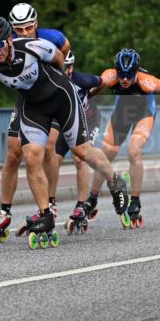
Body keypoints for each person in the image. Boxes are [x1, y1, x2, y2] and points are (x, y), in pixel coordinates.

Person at [0, 17, 129, 241]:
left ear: (9, 40)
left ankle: (116, 181)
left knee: (81, 151)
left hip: (61, 97)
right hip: (33, 107)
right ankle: (46, 214)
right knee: (31, 156)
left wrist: (57, 80)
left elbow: (59, 59)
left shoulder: (31, 46)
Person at [0, 2, 70, 237]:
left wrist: (63, 76)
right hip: (26, 100)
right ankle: (4, 213)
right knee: (13, 153)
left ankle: (49, 205)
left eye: (28, 27)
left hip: (52, 95)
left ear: (36, 23)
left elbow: (65, 54)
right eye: (18, 29)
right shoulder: (8, 42)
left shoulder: (51, 36)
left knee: (48, 148)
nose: (24, 32)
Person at [83, 48, 160, 227]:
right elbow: (92, 90)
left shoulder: (146, 82)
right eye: (122, 74)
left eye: (130, 75)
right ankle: (92, 198)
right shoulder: (110, 76)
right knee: (104, 156)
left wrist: (158, 85)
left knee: (133, 151)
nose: (125, 79)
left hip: (144, 114)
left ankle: (135, 200)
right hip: (122, 113)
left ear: (136, 71)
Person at [53, 51, 103, 233]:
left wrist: (90, 95)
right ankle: (49, 205)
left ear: (71, 68)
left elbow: (102, 81)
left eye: (65, 68)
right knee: (53, 158)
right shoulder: (51, 81)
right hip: (68, 123)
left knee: (79, 158)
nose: (62, 71)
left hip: (89, 119)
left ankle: (82, 205)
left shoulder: (82, 80)